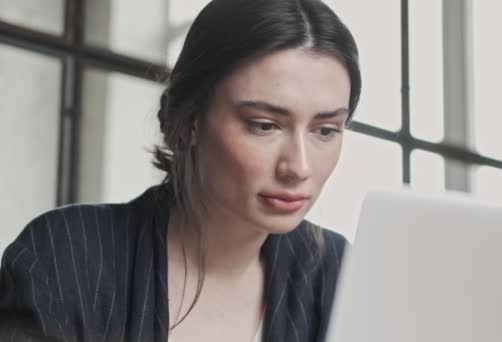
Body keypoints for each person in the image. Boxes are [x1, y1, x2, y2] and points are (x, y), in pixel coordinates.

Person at [0, 0, 361, 340]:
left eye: (325, 131)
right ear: (189, 119)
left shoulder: (338, 276)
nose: (298, 167)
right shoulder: (69, 259)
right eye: (264, 125)